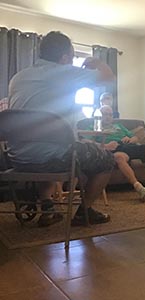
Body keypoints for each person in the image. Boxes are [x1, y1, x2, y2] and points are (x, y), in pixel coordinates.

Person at [8, 31, 116, 227]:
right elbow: (109, 77)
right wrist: (95, 61)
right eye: (72, 56)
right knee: (108, 159)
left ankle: (48, 208)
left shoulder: (17, 78)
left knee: (46, 146)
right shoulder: (65, 72)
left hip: (17, 158)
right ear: (65, 57)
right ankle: (84, 212)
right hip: (52, 157)